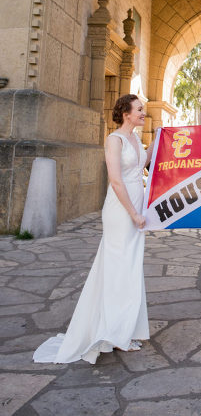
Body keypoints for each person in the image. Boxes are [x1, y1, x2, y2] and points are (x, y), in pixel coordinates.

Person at [34, 94, 156, 364]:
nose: (143, 113)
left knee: (130, 267)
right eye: (139, 109)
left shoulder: (136, 139)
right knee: (117, 267)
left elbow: (144, 163)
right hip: (120, 209)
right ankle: (113, 332)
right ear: (125, 113)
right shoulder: (114, 140)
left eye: (143, 110)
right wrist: (134, 213)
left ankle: (124, 328)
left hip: (137, 206)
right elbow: (115, 180)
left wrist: (162, 138)